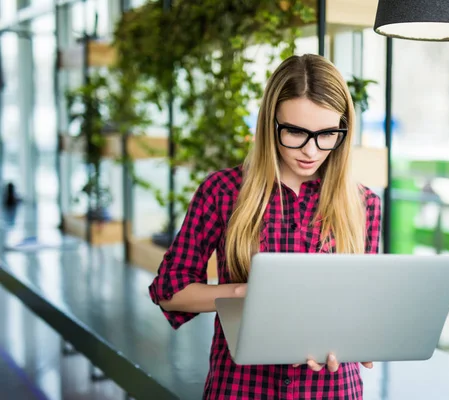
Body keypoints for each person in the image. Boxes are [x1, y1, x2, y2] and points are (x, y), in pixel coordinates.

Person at [148, 53, 382, 399]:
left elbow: (362, 306)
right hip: (242, 389)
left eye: (327, 134)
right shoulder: (223, 192)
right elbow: (169, 292)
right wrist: (243, 294)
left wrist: (352, 343)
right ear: (270, 124)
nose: (311, 150)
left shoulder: (364, 205)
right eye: (295, 133)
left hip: (331, 390)